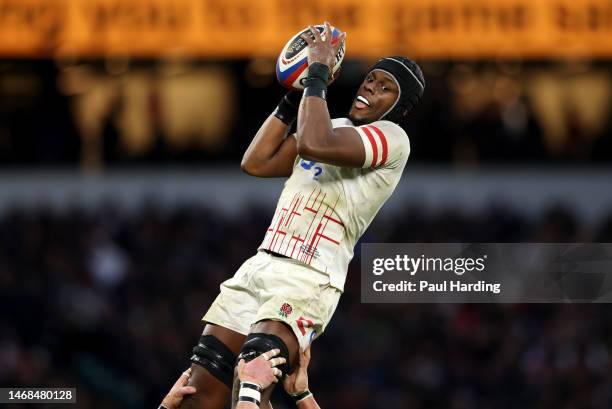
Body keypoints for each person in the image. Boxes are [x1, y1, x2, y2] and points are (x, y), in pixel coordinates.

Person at [178, 21, 425, 409]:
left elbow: (315, 142)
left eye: (385, 88)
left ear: (401, 106)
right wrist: (294, 96)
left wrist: (317, 75)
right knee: (199, 384)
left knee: (254, 372)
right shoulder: (331, 122)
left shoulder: (393, 139)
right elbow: (256, 162)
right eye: (370, 80)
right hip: (261, 263)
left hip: (309, 276)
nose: (369, 89)